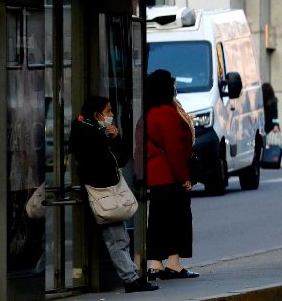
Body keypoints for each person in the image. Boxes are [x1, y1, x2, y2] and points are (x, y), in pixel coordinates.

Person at [69, 96, 158, 294]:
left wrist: (115, 137)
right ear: (96, 114)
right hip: (101, 192)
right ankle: (130, 278)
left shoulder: (100, 132)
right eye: (108, 111)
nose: (111, 116)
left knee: (121, 236)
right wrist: (106, 137)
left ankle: (132, 275)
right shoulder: (85, 132)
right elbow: (98, 160)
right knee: (116, 238)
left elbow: (122, 157)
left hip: (109, 190)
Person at [144, 69, 200, 281]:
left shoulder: (149, 111)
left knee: (158, 220)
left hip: (157, 176)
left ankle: (155, 265)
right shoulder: (167, 113)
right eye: (171, 85)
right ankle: (174, 265)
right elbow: (175, 149)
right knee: (177, 220)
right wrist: (184, 176)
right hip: (170, 175)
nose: (174, 89)